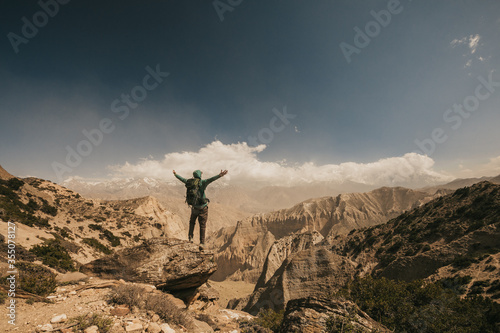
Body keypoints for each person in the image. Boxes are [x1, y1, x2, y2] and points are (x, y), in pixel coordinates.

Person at [173, 169, 228, 250]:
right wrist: (220, 175)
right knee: (202, 225)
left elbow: (182, 179)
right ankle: (202, 243)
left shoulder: (189, 182)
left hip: (194, 207)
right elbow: (211, 179)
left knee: (192, 222)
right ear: (200, 175)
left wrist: (175, 174)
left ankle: (190, 238)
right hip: (203, 208)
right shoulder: (203, 182)